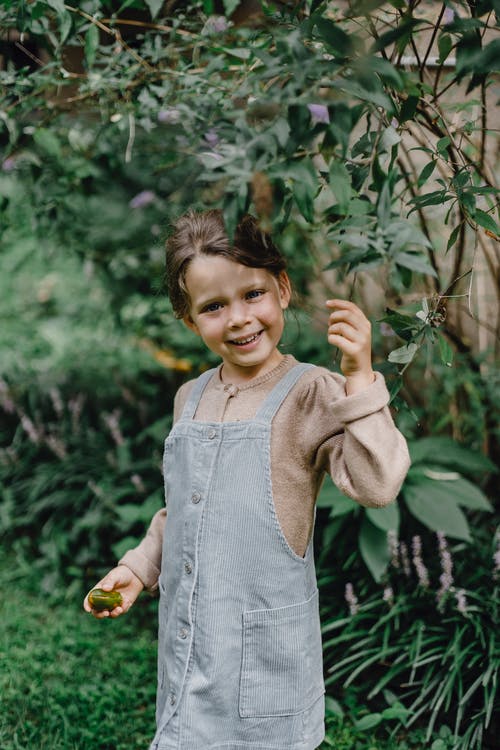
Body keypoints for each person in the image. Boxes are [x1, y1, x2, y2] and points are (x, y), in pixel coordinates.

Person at [84, 209, 410, 750]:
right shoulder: (189, 398)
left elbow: (377, 485)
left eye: (252, 294)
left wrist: (359, 378)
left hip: (266, 653)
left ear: (282, 288)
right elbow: (184, 510)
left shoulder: (314, 392)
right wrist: (137, 567)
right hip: (193, 638)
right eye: (213, 307)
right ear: (190, 321)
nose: (238, 318)